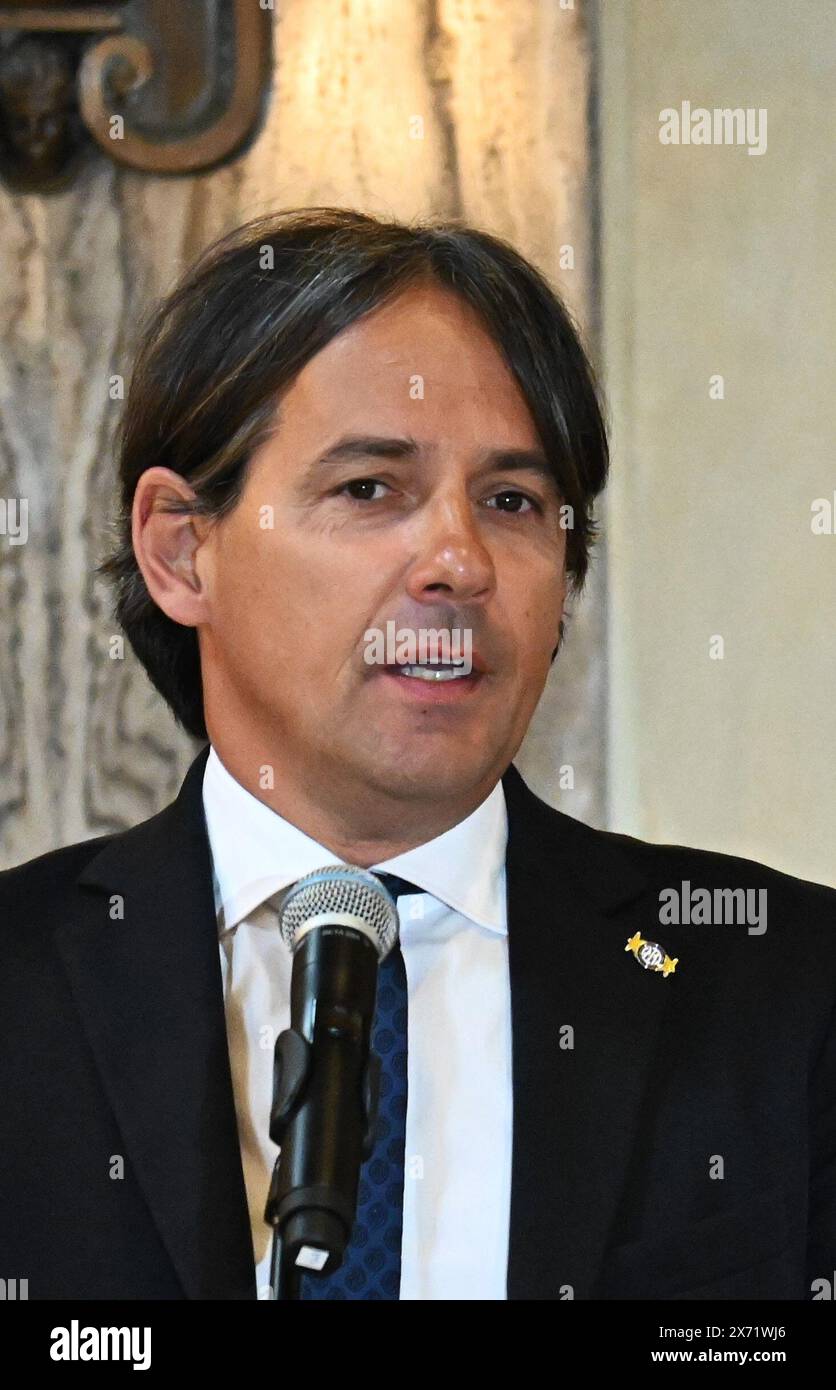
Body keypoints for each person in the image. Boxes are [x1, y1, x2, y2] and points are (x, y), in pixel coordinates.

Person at [1, 207, 834, 1301]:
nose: (458, 560)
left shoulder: (789, 991)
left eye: (511, 502)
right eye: (368, 488)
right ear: (180, 549)